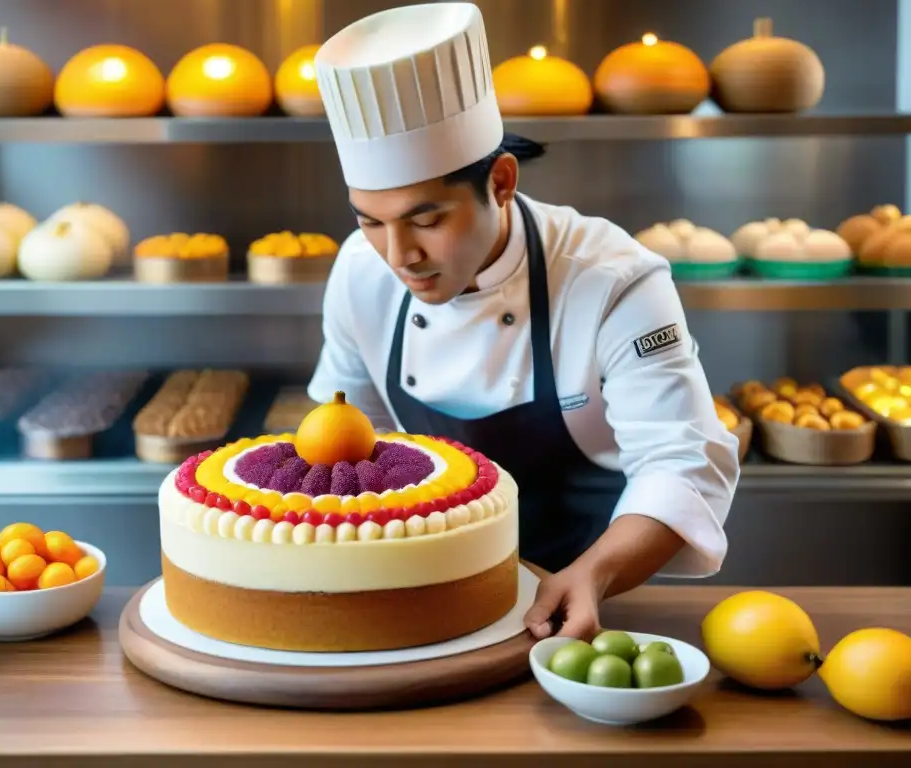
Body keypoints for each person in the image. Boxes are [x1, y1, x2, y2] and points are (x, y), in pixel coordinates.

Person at [307, 2, 741, 642]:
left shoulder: (611, 277)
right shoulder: (359, 271)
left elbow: (682, 461)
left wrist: (593, 575)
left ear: (501, 182)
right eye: (369, 221)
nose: (399, 257)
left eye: (426, 220)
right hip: (426, 600)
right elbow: (352, 430)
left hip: (590, 597)